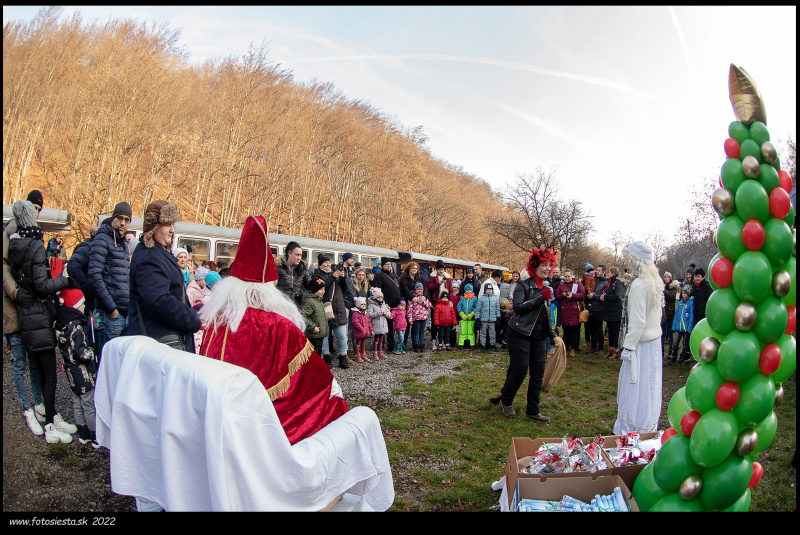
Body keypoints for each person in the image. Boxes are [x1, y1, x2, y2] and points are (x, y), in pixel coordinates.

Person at [199, 215, 347, 446]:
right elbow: (318, 382)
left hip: (218, 420)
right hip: (263, 432)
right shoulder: (277, 325)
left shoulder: (218, 322)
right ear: (268, 289)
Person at [7, 200, 78, 443]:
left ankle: (52, 415)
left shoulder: (15, 244)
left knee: (40, 369)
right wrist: (64, 281)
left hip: (26, 316)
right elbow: (41, 285)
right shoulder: (35, 245)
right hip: (38, 315)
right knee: (50, 375)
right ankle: (50, 426)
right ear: (30, 217)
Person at [489, 247, 557, 423]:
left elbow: (546, 314)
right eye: (543, 264)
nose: (547, 268)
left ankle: (533, 410)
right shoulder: (524, 285)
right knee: (520, 371)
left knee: (538, 374)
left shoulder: (547, 288)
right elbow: (518, 308)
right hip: (519, 333)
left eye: (549, 265)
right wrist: (540, 297)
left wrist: (552, 333)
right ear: (534, 266)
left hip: (538, 336)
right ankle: (507, 400)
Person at [128, 201, 202, 352]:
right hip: (161, 343)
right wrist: (193, 318)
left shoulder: (154, 252)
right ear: (153, 225)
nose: (172, 230)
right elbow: (159, 302)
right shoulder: (150, 257)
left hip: (164, 339)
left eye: (173, 225)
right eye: (167, 224)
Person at [4, 192, 46, 436]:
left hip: (30, 308)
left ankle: (39, 404)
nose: (37, 212)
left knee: (33, 360)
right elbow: (4, 268)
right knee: (19, 362)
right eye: (35, 207)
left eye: (40, 207)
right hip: (14, 306)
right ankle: (26, 408)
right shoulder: (11, 230)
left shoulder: (34, 233)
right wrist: (16, 293)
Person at [613, 241, 664, 435]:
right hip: (653, 343)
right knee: (648, 386)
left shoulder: (639, 285)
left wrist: (628, 347)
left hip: (641, 345)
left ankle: (631, 427)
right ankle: (647, 423)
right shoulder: (654, 282)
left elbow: (637, 321)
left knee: (634, 387)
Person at [54, 288, 100, 448]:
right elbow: (80, 353)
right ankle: (95, 436)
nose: (84, 306)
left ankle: (83, 434)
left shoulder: (62, 327)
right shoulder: (77, 329)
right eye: (81, 304)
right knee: (88, 404)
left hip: (71, 373)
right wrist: (92, 351)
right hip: (83, 374)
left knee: (77, 402)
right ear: (75, 306)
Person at [88, 201, 132, 356]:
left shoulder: (123, 244)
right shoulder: (102, 239)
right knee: (108, 363)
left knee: (120, 362)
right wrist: (111, 308)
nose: (122, 223)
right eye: (119, 218)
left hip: (124, 314)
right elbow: (94, 275)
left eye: (126, 220)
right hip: (110, 315)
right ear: (113, 218)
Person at [311, 254, 351, 369]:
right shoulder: (317, 274)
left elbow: (345, 289)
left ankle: (342, 357)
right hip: (324, 310)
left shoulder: (336, 274)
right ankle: (327, 357)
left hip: (339, 309)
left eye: (329, 262)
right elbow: (321, 287)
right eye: (325, 262)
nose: (328, 264)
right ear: (320, 264)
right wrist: (333, 277)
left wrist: (343, 278)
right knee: (325, 336)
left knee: (342, 336)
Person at [370, 257, 401, 354]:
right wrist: (384, 303)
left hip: (394, 306)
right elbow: (377, 292)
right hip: (384, 305)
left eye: (390, 264)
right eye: (386, 264)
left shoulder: (393, 275)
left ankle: (391, 345)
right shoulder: (379, 276)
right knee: (381, 327)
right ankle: (380, 346)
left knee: (391, 328)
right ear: (382, 265)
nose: (389, 266)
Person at [555, 269, 585, 358]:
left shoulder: (577, 284)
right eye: (566, 276)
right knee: (566, 331)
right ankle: (565, 348)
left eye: (568, 276)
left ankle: (573, 349)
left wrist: (573, 296)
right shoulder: (562, 285)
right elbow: (557, 296)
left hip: (574, 311)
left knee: (574, 331)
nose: (567, 278)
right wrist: (563, 296)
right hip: (564, 311)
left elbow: (582, 294)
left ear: (572, 276)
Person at [400, 262, 428, 350]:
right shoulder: (404, 278)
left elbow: (426, 288)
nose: (414, 270)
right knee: (407, 325)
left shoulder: (420, 277)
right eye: (413, 268)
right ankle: (403, 344)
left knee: (417, 328)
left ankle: (416, 344)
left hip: (419, 305)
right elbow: (404, 289)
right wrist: (412, 297)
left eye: (416, 268)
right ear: (409, 269)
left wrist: (424, 296)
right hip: (407, 302)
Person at [601, 266, 627, 360]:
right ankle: (610, 348)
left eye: (610, 272)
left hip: (616, 312)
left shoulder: (618, 283)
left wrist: (606, 296)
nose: (608, 274)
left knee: (616, 332)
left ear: (613, 273)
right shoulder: (610, 283)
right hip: (609, 311)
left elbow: (617, 296)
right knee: (610, 331)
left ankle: (616, 350)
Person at [427, 260, 453, 350]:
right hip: (436, 303)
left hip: (445, 303)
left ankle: (442, 341)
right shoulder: (432, 277)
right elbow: (430, 289)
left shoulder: (448, 278)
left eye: (442, 269)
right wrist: (438, 283)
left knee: (445, 323)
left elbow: (451, 290)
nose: (441, 271)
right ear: (436, 270)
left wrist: (451, 301)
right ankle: (434, 340)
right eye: (439, 269)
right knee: (435, 323)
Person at [301, 277, 329, 357]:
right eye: (320, 289)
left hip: (319, 334)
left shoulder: (318, 300)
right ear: (314, 289)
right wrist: (312, 327)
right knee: (314, 355)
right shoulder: (310, 301)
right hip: (313, 334)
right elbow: (303, 316)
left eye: (323, 289)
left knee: (319, 354)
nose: (323, 291)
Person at [275, 241, 309, 307]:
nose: (299, 258)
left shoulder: (301, 270)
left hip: (296, 308)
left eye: (300, 255)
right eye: (297, 255)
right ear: (289, 253)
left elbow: (311, 286)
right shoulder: (278, 269)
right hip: (281, 307)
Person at [668, 286, 695, 365]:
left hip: (686, 329)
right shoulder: (680, 303)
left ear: (688, 294)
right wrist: (674, 326)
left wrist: (689, 328)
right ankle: (673, 358)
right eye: (682, 293)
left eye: (685, 293)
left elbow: (691, 317)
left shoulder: (690, 303)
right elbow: (676, 316)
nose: (683, 295)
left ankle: (681, 359)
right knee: (676, 343)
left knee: (684, 344)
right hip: (679, 328)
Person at [586, 264, 608, 355]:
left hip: (600, 308)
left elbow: (603, 296)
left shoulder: (606, 283)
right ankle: (593, 347)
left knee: (599, 329)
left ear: (603, 272)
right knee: (592, 329)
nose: (597, 272)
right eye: (597, 270)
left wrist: (594, 296)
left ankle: (601, 348)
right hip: (592, 308)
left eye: (599, 270)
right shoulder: (594, 280)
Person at [367, 287, 391, 360]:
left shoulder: (383, 305)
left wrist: (385, 313)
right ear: (375, 298)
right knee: (376, 340)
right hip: (376, 324)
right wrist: (378, 313)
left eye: (381, 297)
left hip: (383, 324)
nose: (380, 298)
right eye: (379, 297)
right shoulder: (371, 305)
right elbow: (369, 314)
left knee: (381, 339)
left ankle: (380, 351)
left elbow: (389, 314)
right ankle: (375, 352)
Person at [476, 282, 501, 352]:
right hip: (483, 319)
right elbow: (478, 309)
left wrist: (498, 317)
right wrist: (477, 318)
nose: (489, 291)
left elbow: (497, 309)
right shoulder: (481, 299)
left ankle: (492, 345)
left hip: (492, 320)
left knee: (492, 333)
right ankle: (483, 345)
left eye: (490, 289)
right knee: (483, 333)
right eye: (488, 289)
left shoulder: (495, 299)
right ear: (485, 290)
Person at [407, 283, 432, 353]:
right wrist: (410, 319)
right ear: (415, 290)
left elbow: (429, 305)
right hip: (416, 318)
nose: (420, 291)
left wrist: (423, 302)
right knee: (415, 332)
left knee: (422, 332)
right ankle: (416, 344)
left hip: (423, 318)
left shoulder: (424, 298)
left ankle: (421, 344)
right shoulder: (413, 298)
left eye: (421, 289)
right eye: (418, 289)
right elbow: (409, 309)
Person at [350, 296, 373, 362]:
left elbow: (368, 322)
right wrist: (361, 329)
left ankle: (363, 354)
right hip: (359, 331)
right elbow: (355, 322)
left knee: (363, 343)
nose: (363, 306)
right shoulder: (355, 313)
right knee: (358, 344)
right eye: (362, 304)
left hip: (365, 331)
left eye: (364, 304)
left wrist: (371, 330)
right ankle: (357, 355)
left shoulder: (365, 313)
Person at [457, 283, 478, 349]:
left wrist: (472, 314)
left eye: (470, 290)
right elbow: (459, 307)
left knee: (470, 331)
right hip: (463, 318)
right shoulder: (462, 299)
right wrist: (461, 314)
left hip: (471, 318)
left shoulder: (474, 299)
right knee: (463, 331)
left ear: (472, 291)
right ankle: (461, 344)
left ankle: (472, 344)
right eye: (467, 290)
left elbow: (476, 307)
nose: (468, 292)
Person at [662, 273, 678, 354]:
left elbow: (672, 297)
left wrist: (664, 290)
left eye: (668, 277)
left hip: (671, 313)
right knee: (663, 333)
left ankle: (671, 350)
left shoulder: (673, 287)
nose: (666, 278)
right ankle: (662, 350)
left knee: (671, 333)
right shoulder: (662, 286)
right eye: (665, 277)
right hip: (663, 313)